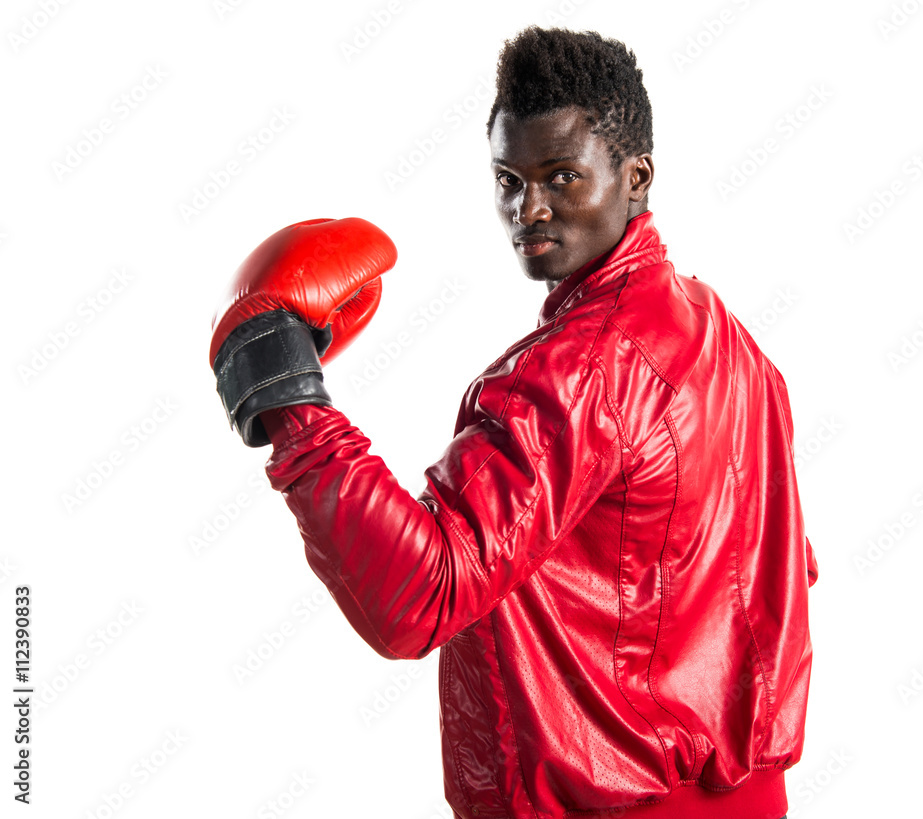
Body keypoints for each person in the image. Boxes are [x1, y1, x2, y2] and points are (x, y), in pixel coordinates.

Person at [209, 26, 817, 819]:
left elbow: (417, 594)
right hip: (746, 797)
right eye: (508, 178)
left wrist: (286, 392)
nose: (528, 208)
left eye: (562, 176)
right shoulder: (723, 332)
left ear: (637, 177)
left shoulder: (575, 372)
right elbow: (775, 568)